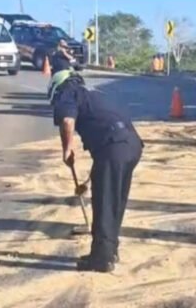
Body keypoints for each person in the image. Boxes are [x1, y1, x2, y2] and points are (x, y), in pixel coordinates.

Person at [52, 71, 143, 272]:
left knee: (104, 203)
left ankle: (101, 259)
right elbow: (105, 155)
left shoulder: (69, 93)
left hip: (114, 147)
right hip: (131, 146)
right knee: (114, 201)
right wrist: (87, 182)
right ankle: (110, 251)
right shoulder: (97, 95)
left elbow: (67, 121)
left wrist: (66, 149)